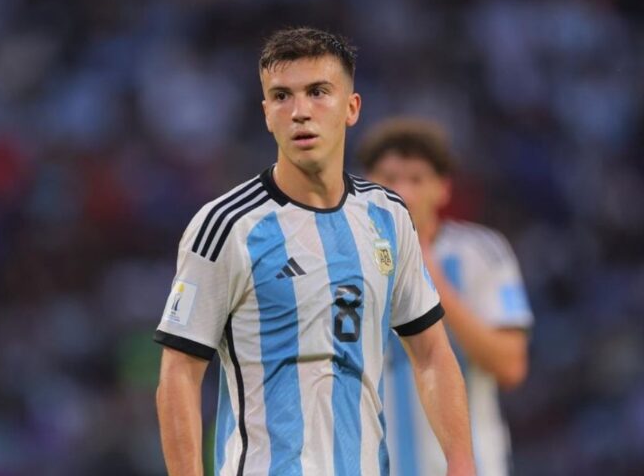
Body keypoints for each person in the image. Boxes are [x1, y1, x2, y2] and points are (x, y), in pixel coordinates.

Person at [154, 28, 475, 476]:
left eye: (318, 92)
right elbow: (179, 373)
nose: (300, 111)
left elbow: (432, 353)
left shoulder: (387, 216)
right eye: (281, 96)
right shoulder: (227, 226)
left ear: (352, 108)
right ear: (267, 115)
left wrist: (461, 460)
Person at [357, 117, 534, 476]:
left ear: (443, 189)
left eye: (416, 179)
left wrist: (435, 286)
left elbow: (510, 366)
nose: (402, 192)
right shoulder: (345, 259)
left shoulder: (482, 253)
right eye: (389, 179)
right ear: (366, 186)